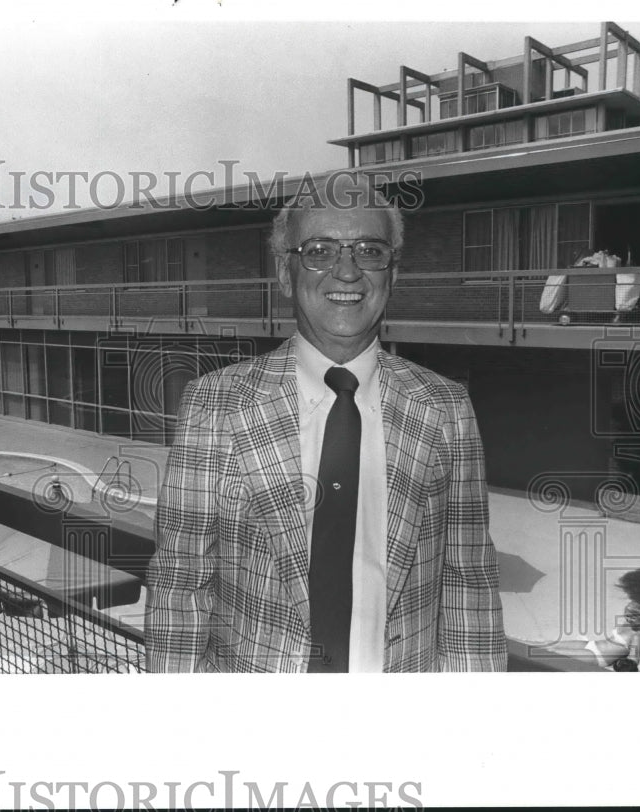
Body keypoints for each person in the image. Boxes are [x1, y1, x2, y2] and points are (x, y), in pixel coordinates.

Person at [145, 174, 507, 672]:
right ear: (283, 272)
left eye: (369, 250)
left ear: (393, 273)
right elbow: (180, 586)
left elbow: (470, 588)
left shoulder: (446, 409)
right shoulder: (215, 405)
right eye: (319, 250)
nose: (347, 271)